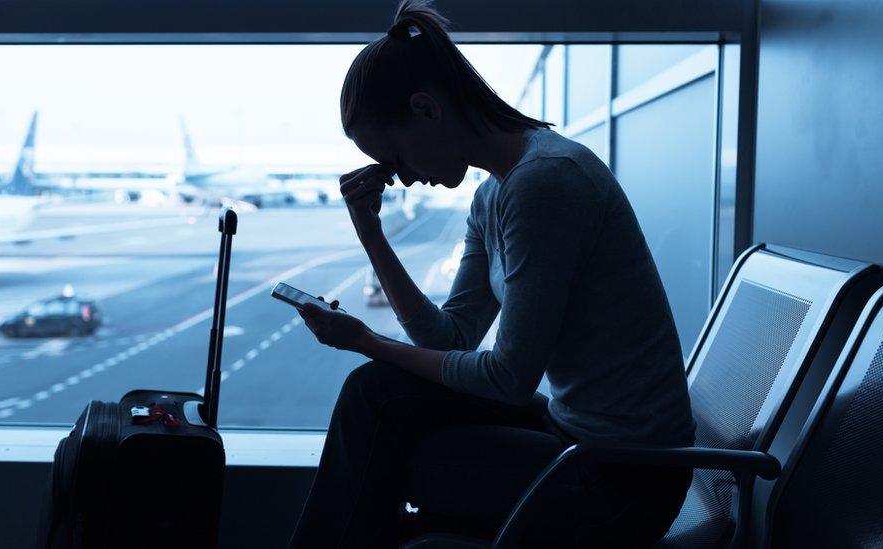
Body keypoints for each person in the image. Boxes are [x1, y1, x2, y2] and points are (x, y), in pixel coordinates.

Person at [290, 1, 696, 546]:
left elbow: (508, 380)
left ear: (427, 109)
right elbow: (450, 337)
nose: (403, 179)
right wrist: (372, 236)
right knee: (378, 399)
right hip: (575, 436)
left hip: (622, 480)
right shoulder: (495, 193)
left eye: (395, 157)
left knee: (380, 417)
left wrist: (366, 340)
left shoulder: (546, 183)